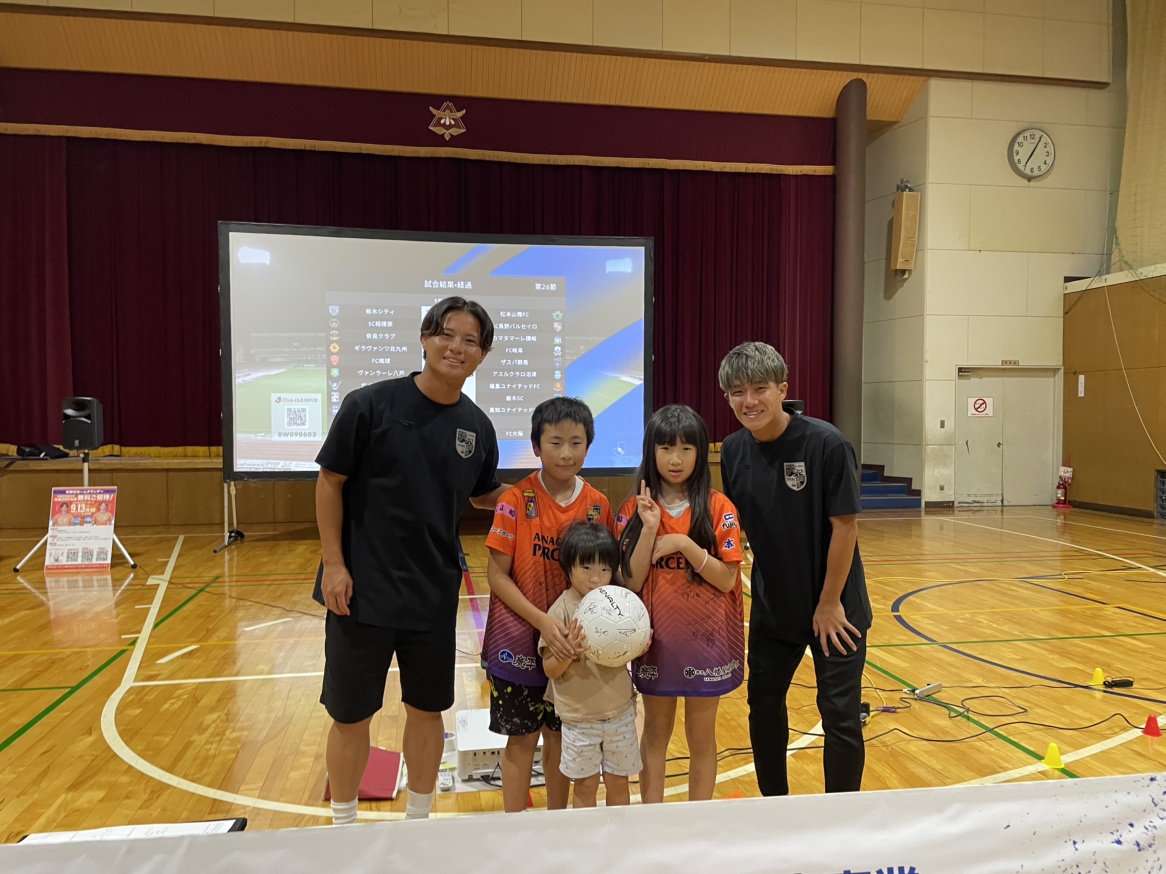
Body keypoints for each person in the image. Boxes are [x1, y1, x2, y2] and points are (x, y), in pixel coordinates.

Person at [314, 296, 507, 825]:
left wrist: (538, 492)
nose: (456, 347)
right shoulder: (369, 404)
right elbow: (330, 481)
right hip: (361, 592)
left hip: (432, 594)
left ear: (482, 355)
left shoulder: (477, 426)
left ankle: (418, 824)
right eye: (447, 334)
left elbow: (482, 495)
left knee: (427, 711)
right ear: (425, 338)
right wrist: (335, 565)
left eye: (470, 341)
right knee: (351, 716)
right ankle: (344, 826)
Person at [717, 341, 872, 796]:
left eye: (760, 389)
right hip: (774, 607)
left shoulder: (826, 443)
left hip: (836, 607)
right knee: (763, 705)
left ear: (782, 390)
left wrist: (829, 603)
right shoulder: (733, 450)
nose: (749, 401)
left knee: (840, 714)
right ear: (727, 397)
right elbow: (738, 525)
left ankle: (839, 816)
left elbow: (845, 527)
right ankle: (774, 807)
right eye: (738, 392)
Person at [483, 397, 613, 812]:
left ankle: (556, 823)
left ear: (588, 445)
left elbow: (605, 578)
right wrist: (543, 622)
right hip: (516, 642)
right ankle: (514, 825)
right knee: (521, 739)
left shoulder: (598, 505)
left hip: (573, 649)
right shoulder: (515, 500)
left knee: (561, 738)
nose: (566, 453)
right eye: (555, 442)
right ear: (536, 447)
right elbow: (497, 576)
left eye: (576, 442)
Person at [617, 405, 744, 803]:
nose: (676, 459)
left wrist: (685, 545)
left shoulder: (719, 507)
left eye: (686, 448)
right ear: (650, 451)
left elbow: (727, 579)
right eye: (666, 448)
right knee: (655, 732)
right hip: (656, 643)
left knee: (701, 737)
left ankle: (698, 823)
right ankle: (653, 819)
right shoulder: (633, 509)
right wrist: (650, 529)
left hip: (708, 643)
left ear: (700, 453)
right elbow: (631, 582)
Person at [540, 521, 646, 809]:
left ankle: (619, 835)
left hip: (620, 713)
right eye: (586, 567)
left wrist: (639, 643)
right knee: (585, 786)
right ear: (568, 567)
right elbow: (550, 669)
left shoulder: (622, 605)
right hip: (578, 719)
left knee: (619, 782)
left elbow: (629, 649)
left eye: (604, 568)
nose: (596, 577)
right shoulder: (561, 611)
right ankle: (584, 836)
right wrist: (568, 652)